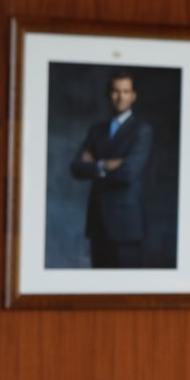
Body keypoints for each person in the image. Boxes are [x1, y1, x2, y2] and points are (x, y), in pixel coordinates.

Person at [69, 70, 153, 268]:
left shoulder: (142, 131)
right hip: (98, 224)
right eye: (115, 91)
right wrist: (104, 164)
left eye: (125, 91)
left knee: (127, 291)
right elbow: (76, 168)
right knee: (99, 290)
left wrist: (94, 164)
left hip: (126, 227)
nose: (120, 97)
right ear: (108, 94)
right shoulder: (96, 131)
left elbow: (128, 173)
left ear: (133, 96)